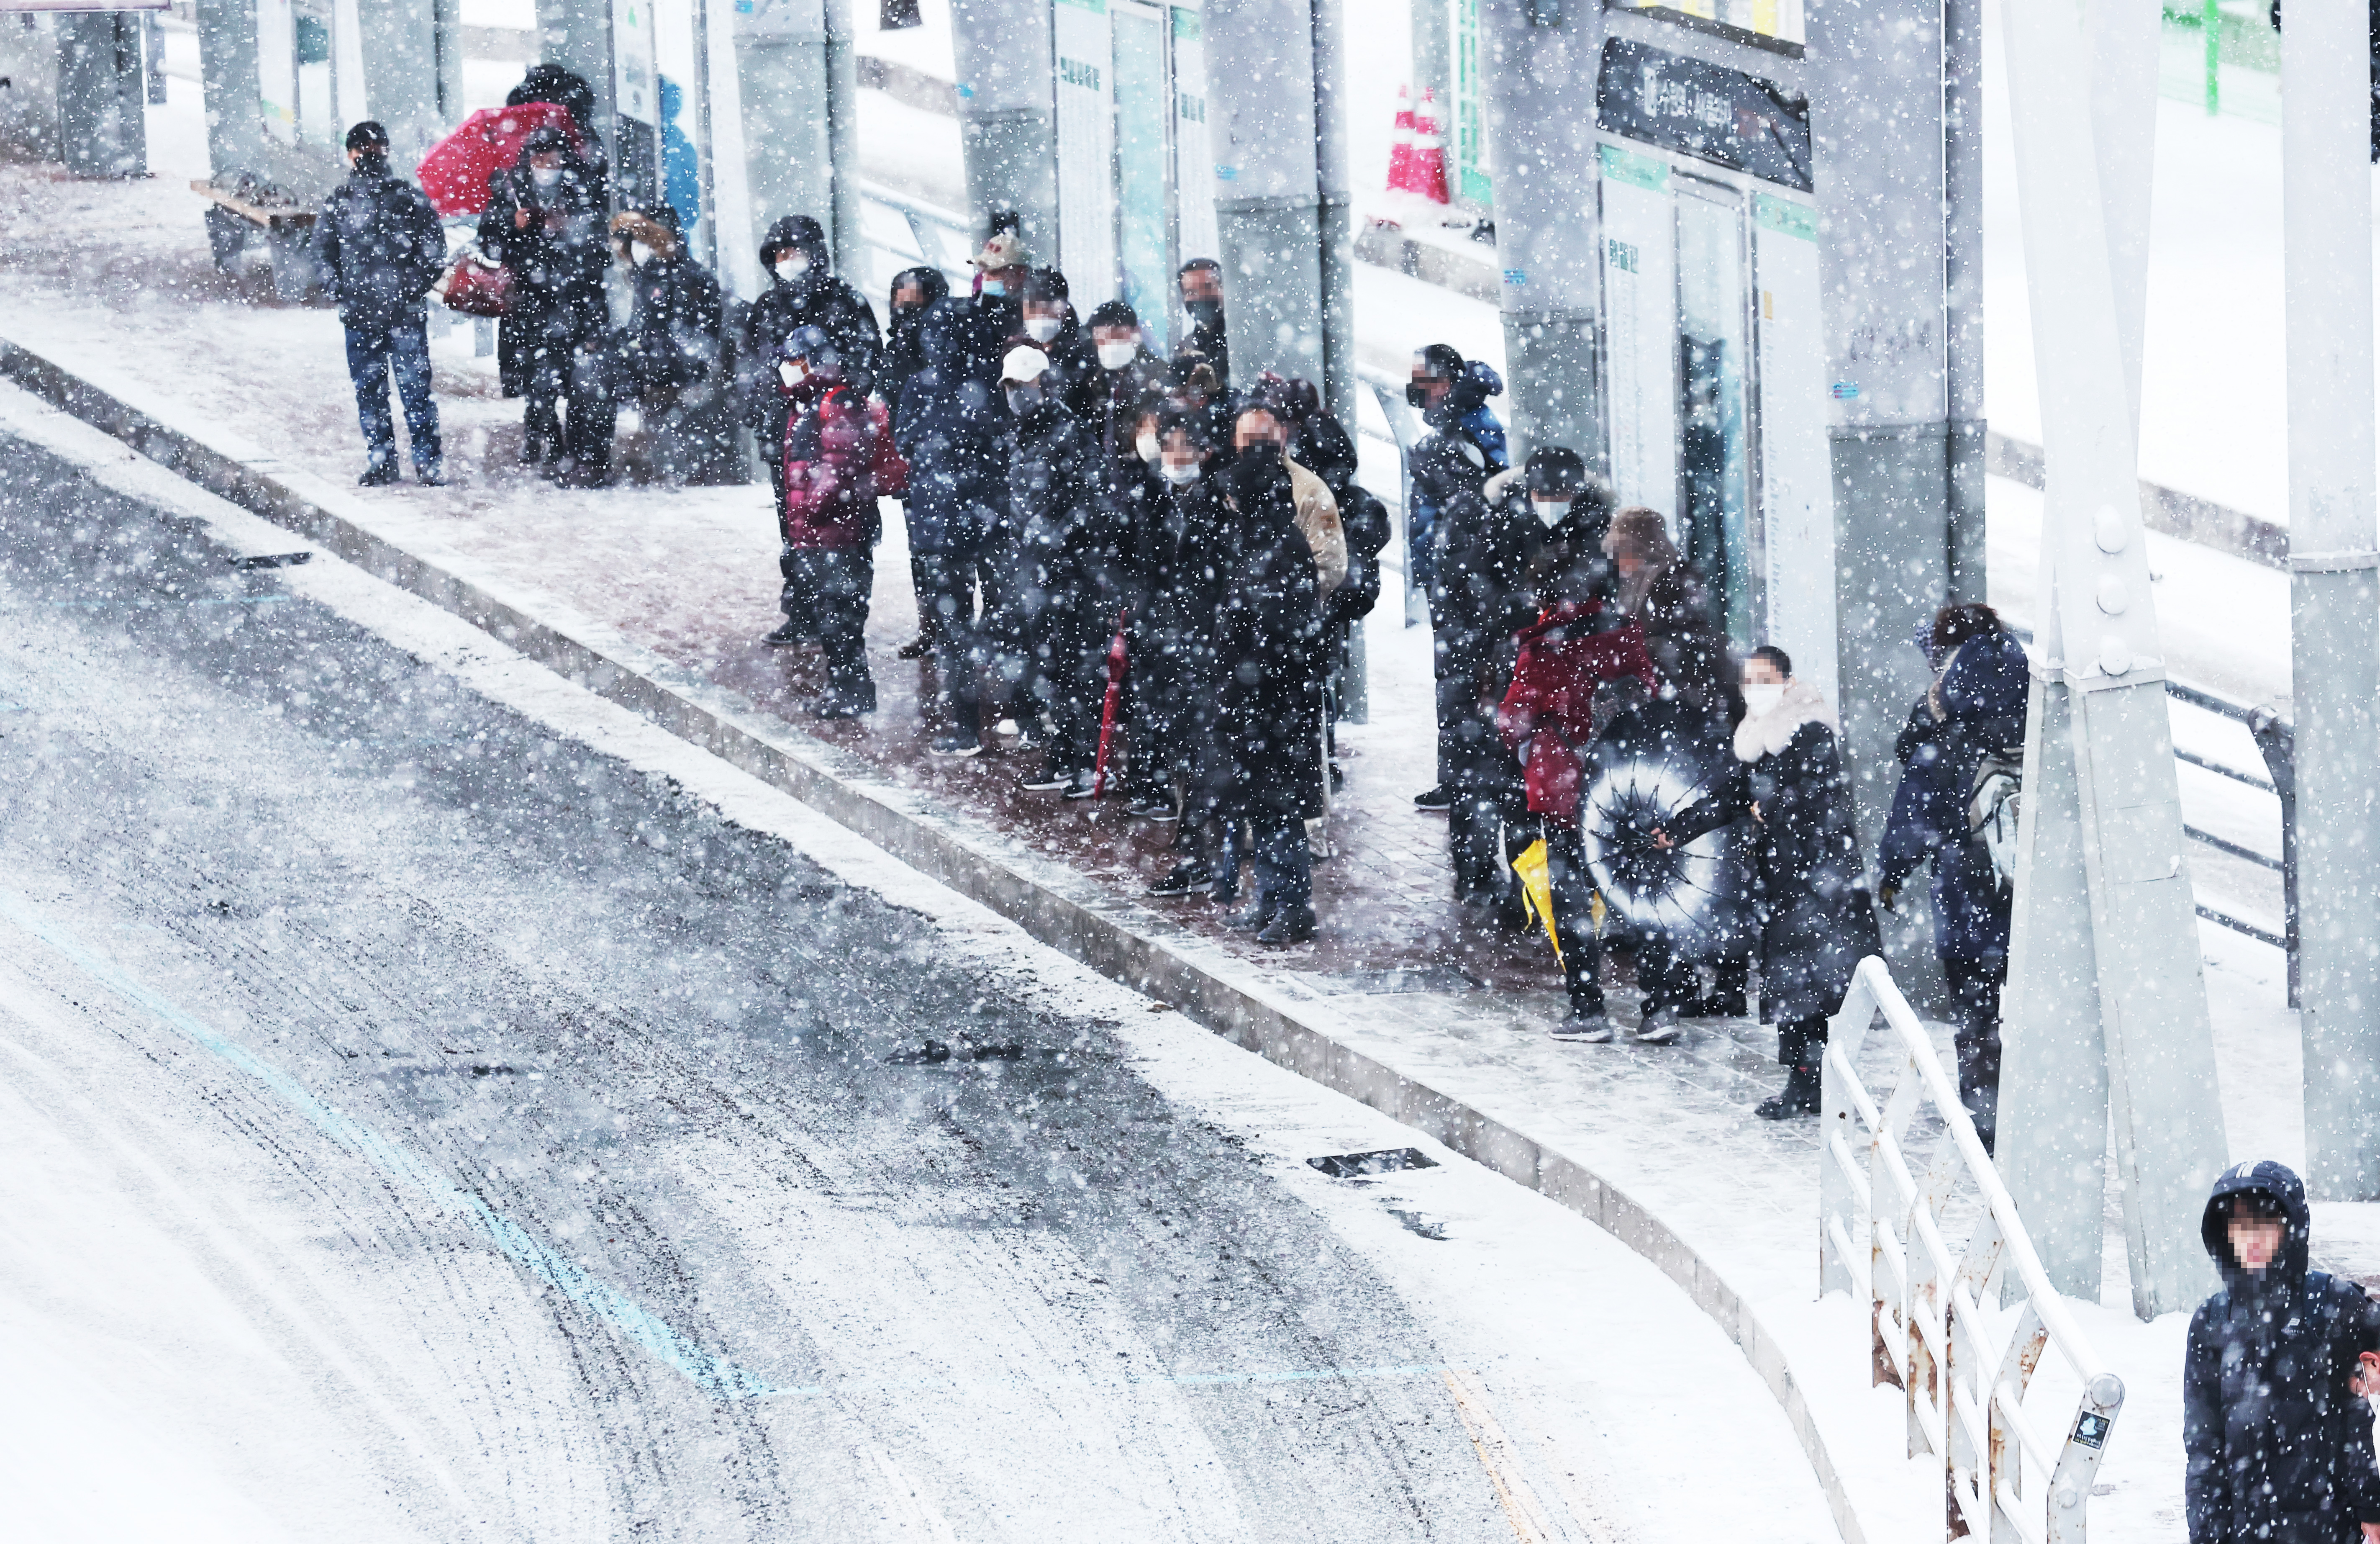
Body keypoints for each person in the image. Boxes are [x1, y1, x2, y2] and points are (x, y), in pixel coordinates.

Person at [1653, 646, 1881, 1118]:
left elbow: (1818, 792)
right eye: (1749, 680)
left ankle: (1809, 1086)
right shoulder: (1758, 738)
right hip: (1789, 881)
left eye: (1765, 678)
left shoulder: (1809, 728)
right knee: (1797, 990)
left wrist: (1773, 807)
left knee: (1806, 989)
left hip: (1817, 882)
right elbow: (1734, 793)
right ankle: (1807, 1084)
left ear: (1788, 681)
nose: (1755, 688)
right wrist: (1677, 830)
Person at [1878, 602, 2029, 1150]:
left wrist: (1893, 871)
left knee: (1977, 1009)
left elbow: (1915, 807)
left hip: (1968, 889)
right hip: (2032, 892)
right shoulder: (2036, 707)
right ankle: (2043, 1102)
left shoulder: (1943, 721)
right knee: (2041, 1000)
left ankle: (1985, 1118)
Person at [1431, 445, 1600, 925]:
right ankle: (1506, 885)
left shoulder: (1594, 528)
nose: (1553, 501)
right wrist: (1524, 612)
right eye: (1545, 493)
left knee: (1547, 786)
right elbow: (1472, 590)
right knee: (1502, 785)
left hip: (1559, 678)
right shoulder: (1493, 523)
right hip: (1503, 672)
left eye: (1561, 492)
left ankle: (1540, 889)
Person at [1602, 505, 1747, 1030]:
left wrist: (1652, 701)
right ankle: (1711, 980)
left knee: (1692, 860)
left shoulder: (1663, 592)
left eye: (1618, 543)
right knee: (1703, 861)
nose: (1612, 553)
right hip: (1689, 738)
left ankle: (1703, 981)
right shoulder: (1664, 585)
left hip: (1687, 742)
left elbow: (1676, 662)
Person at [1498, 568, 1658, 1039]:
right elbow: (1650, 695)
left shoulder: (1543, 649)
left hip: (1567, 794)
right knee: (1639, 895)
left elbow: (1513, 721)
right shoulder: (1626, 636)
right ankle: (1659, 1008)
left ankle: (1588, 1010)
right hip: (1625, 789)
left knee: (1572, 903)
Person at [2185, 1160, 2380, 1544]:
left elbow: (2354, 1420)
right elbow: (2203, 1446)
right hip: (2244, 1528)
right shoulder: (2212, 1320)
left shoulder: (2332, 1303)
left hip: (2328, 1524)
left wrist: (2371, 1507)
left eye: (2265, 1224)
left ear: (2291, 1228)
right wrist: (2207, 1532)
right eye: (2240, 1226)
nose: (2251, 1239)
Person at [897, 229, 1028, 756]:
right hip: (979, 514)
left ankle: (969, 719)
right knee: (996, 614)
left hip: (951, 517)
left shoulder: (929, 386)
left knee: (969, 620)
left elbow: (907, 439)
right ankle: (1003, 711)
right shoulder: (990, 382)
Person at [1211, 449, 1330, 944]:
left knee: (1277, 806)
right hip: (1262, 703)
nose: (1229, 502)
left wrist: (1245, 673)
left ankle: (1294, 904)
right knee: (1263, 804)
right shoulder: (1263, 541)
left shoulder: (1278, 549)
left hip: (1274, 704)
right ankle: (1270, 899)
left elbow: (1278, 631)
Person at [1000, 345, 1110, 794]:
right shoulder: (1021, 433)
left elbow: (1093, 498)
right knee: (1048, 667)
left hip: (1070, 575)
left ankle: (1084, 758)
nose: (1016, 396)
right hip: (1036, 574)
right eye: (1011, 387)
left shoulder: (1069, 431)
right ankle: (1063, 753)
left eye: (1022, 386)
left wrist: (1058, 537)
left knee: (1075, 667)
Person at [315, 121, 446, 487]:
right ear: (352, 154)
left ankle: (419, 461)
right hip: (365, 314)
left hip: (396, 313)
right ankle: (391, 460)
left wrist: (410, 288)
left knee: (410, 392)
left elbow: (433, 251)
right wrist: (339, 288)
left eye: (374, 150)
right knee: (377, 393)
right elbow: (322, 252)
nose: (369, 157)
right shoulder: (343, 200)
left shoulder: (404, 197)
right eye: (364, 150)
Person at [1405, 342, 1507, 811]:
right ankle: (1460, 774)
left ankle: (1470, 776)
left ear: (1445, 384)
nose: (1416, 393)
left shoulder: (1469, 429)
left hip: (1469, 577)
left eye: (1423, 383)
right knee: (1455, 676)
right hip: (1453, 574)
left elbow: (1478, 500)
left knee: (1466, 677)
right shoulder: (1457, 425)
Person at [1137, 404, 1235, 894]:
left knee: (1207, 757)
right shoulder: (1158, 503)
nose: (1175, 457)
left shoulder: (1219, 506)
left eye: (1185, 447)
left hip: (1206, 650)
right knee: (1185, 754)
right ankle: (1200, 847)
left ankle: (1206, 855)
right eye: (1169, 446)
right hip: (1171, 648)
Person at [479, 126, 612, 485]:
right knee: (537, 377)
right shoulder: (512, 190)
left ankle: (574, 446)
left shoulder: (582, 191)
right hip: (528, 301)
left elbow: (600, 246)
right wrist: (515, 225)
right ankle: (546, 437)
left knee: (575, 377)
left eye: (554, 161)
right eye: (540, 160)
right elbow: (489, 241)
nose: (547, 167)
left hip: (575, 298)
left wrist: (569, 230)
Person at [775, 325, 893, 719]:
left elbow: (842, 465)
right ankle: (845, 689)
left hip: (837, 533)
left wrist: (813, 509)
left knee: (841, 618)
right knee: (833, 619)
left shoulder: (836, 402)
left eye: (796, 361)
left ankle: (852, 692)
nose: (788, 369)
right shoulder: (809, 402)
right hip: (820, 532)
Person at [604, 206, 727, 483]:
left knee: (665, 414)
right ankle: (668, 467)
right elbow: (645, 327)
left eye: (638, 243)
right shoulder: (653, 275)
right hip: (668, 363)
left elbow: (681, 333)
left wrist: (637, 357)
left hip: (681, 368)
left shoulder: (679, 276)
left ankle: (675, 471)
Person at [880, 265, 952, 660]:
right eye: (900, 302)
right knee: (921, 551)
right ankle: (930, 626)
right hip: (915, 465)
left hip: (949, 463)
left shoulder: (946, 343)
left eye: (915, 303)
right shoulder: (897, 349)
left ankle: (957, 627)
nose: (905, 311)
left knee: (955, 552)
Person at [1021, 269, 1105, 424]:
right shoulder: (1021, 348)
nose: (1038, 316)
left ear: (1064, 308)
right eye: (1031, 308)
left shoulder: (1086, 351)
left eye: (1046, 308)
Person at [1178, 257, 1229, 385]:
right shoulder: (1185, 348)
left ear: (1224, 289)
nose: (1199, 297)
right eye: (1191, 292)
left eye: (1207, 288)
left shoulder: (1245, 339)